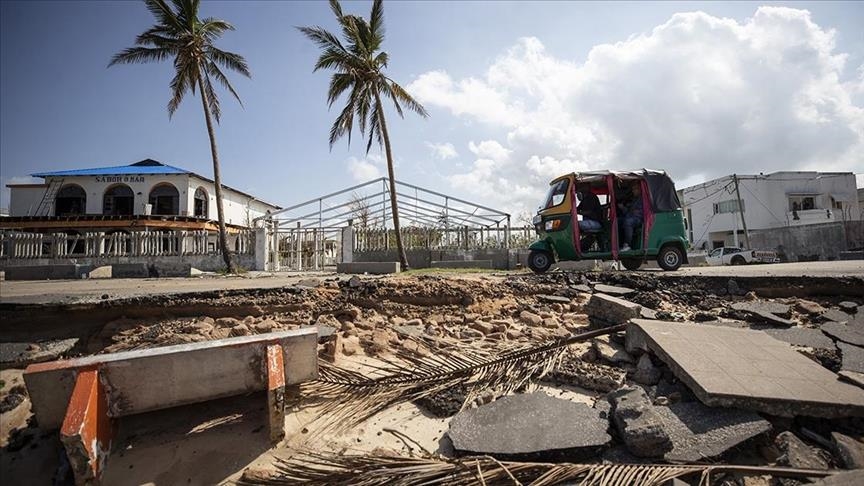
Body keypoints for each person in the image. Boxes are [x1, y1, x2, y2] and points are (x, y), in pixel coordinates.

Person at [618, 184, 643, 251]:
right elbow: (629, 212)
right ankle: (618, 244)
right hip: (632, 217)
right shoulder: (634, 199)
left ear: (640, 190)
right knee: (617, 221)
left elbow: (634, 213)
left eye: (635, 189)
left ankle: (627, 245)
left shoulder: (642, 199)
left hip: (639, 219)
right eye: (633, 189)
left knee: (628, 222)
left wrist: (623, 208)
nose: (633, 191)